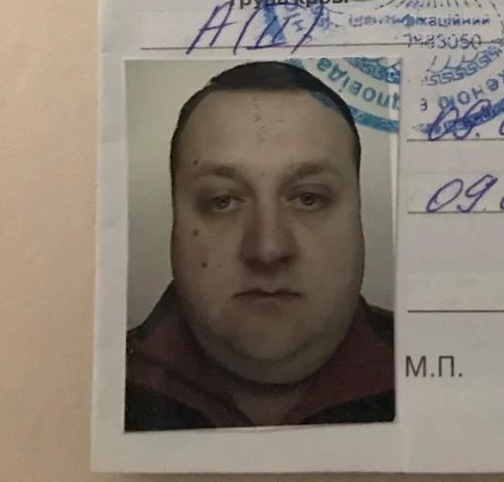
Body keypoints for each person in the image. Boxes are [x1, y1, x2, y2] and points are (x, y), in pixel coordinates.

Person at [125, 61, 395, 430]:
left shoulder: (440, 378)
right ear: (174, 219)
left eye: (309, 198)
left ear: (359, 214)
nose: (268, 249)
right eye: (222, 200)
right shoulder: (100, 385)